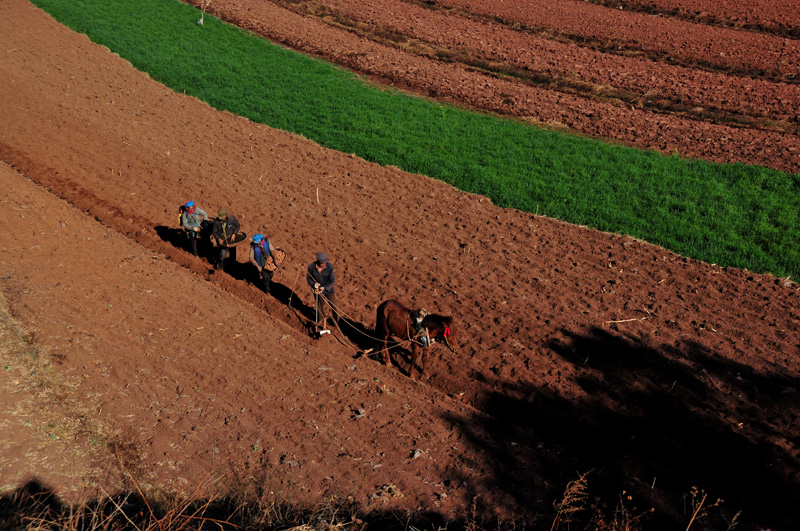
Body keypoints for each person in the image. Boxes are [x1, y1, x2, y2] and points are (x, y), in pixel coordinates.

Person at [306, 252, 337, 333]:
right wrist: (314, 284)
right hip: (318, 292)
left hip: (328, 290)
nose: (324, 264)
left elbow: (332, 281)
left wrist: (325, 288)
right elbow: (308, 278)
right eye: (322, 263)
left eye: (325, 263)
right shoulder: (311, 267)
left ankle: (337, 322)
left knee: (334, 306)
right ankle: (320, 323)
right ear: (318, 261)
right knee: (319, 307)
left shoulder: (330, 267)